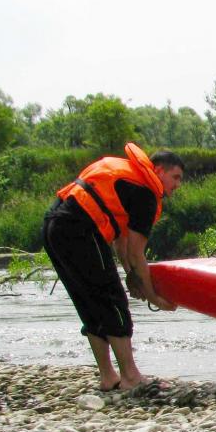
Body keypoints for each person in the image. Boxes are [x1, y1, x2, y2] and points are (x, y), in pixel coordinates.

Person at [41, 142, 183, 392]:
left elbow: (122, 244)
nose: (177, 185)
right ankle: (130, 376)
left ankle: (108, 376)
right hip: (79, 230)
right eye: (176, 177)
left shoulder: (127, 178)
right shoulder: (146, 192)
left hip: (54, 227)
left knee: (89, 301)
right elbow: (137, 253)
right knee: (112, 300)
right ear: (159, 170)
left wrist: (132, 276)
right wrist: (154, 297)